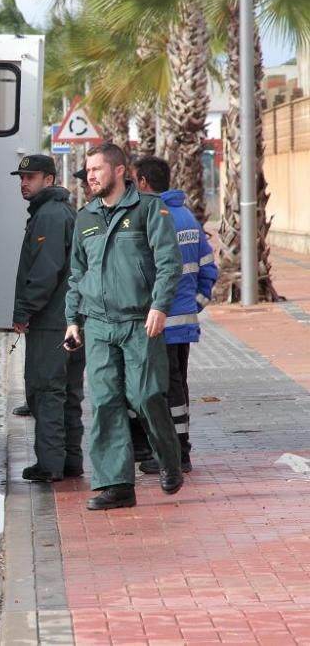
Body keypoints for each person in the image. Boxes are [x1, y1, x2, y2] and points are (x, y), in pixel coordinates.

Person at [63, 142, 184, 510]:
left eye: (97, 169)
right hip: (99, 324)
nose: (90, 176)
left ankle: (169, 459)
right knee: (104, 403)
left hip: (139, 322)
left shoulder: (149, 209)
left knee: (146, 396)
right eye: (88, 171)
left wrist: (160, 306)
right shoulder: (84, 217)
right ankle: (116, 485)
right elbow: (77, 273)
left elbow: (169, 262)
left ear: (120, 171)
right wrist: (72, 320)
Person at [130, 156, 219, 474]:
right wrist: (192, 305)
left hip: (160, 324)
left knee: (162, 390)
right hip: (183, 324)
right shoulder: (188, 218)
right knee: (178, 388)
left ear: (142, 182)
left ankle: (175, 455)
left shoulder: (152, 217)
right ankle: (181, 449)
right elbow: (208, 269)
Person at [10, 155, 86, 481]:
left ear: (50, 179)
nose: (24, 182)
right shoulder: (61, 211)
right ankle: (70, 461)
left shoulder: (50, 215)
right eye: (22, 177)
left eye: (32, 176)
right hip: (71, 319)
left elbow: (45, 271)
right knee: (68, 392)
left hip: (52, 321)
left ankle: (51, 464)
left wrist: (23, 310)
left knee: (46, 391)